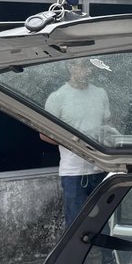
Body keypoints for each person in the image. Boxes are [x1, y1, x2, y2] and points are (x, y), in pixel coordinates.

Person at [42, 57, 110, 225]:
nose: (88, 70)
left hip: (100, 169)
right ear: (70, 66)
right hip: (73, 173)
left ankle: (105, 253)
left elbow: (107, 125)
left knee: (102, 224)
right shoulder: (57, 97)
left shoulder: (100, 93)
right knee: (75, 226)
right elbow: (44, 134)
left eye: (90, 65)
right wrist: (74, 143)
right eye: (83, 65)